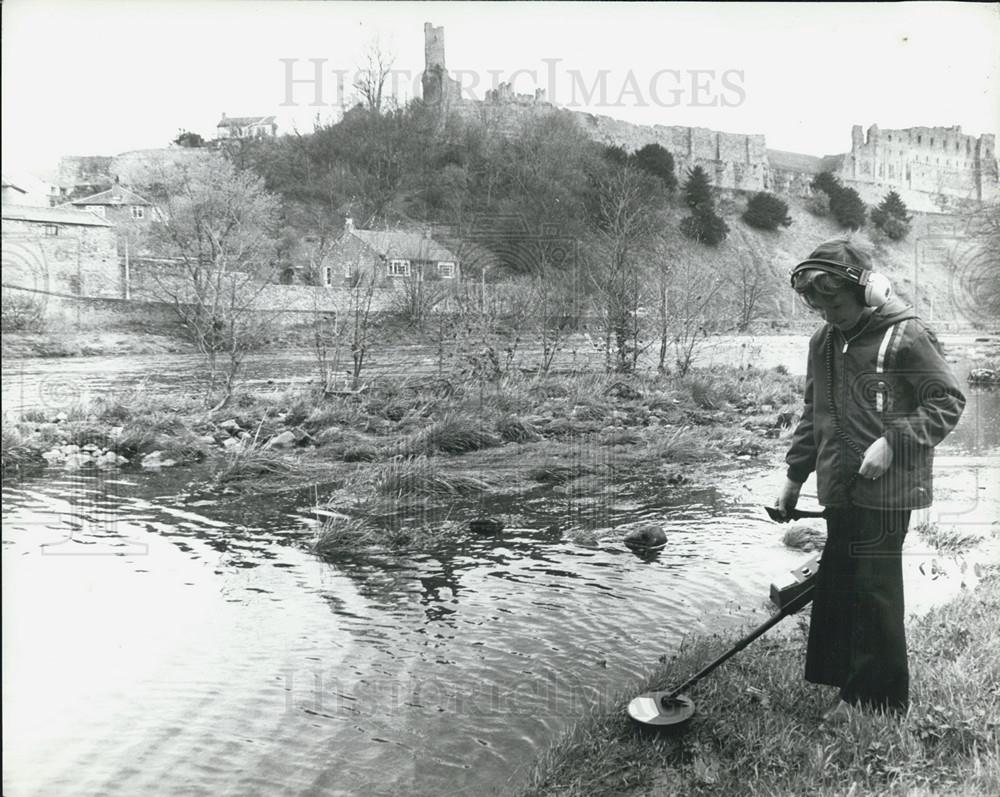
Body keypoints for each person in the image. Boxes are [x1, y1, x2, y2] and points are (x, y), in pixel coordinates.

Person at [775, 238, 965, 721]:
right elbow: (811, 414)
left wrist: (893, 441)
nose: (825, 315)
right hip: (838, 487)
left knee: (875, 590)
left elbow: (946, 400)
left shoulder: (905, 336)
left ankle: (878, 701)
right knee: (842, 584)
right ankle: (851, 686)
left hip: (888, 491)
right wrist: (795, 477)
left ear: (869, 292)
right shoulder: (823, 341)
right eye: (817, 306)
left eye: (834, 304)